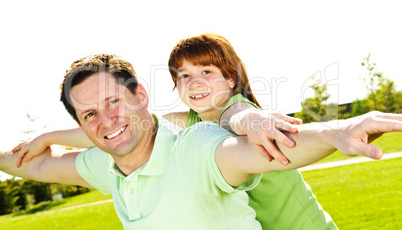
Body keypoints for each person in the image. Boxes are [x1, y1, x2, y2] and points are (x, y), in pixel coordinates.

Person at [9, 34, 400, 229]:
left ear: (231, 79)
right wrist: (51, 136)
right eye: (183, 75)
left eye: (206, 72)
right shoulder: (191, 123)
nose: (194, 82)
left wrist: (334, 132)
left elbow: (244, 121)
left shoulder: (232, 113)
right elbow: (122, 127)